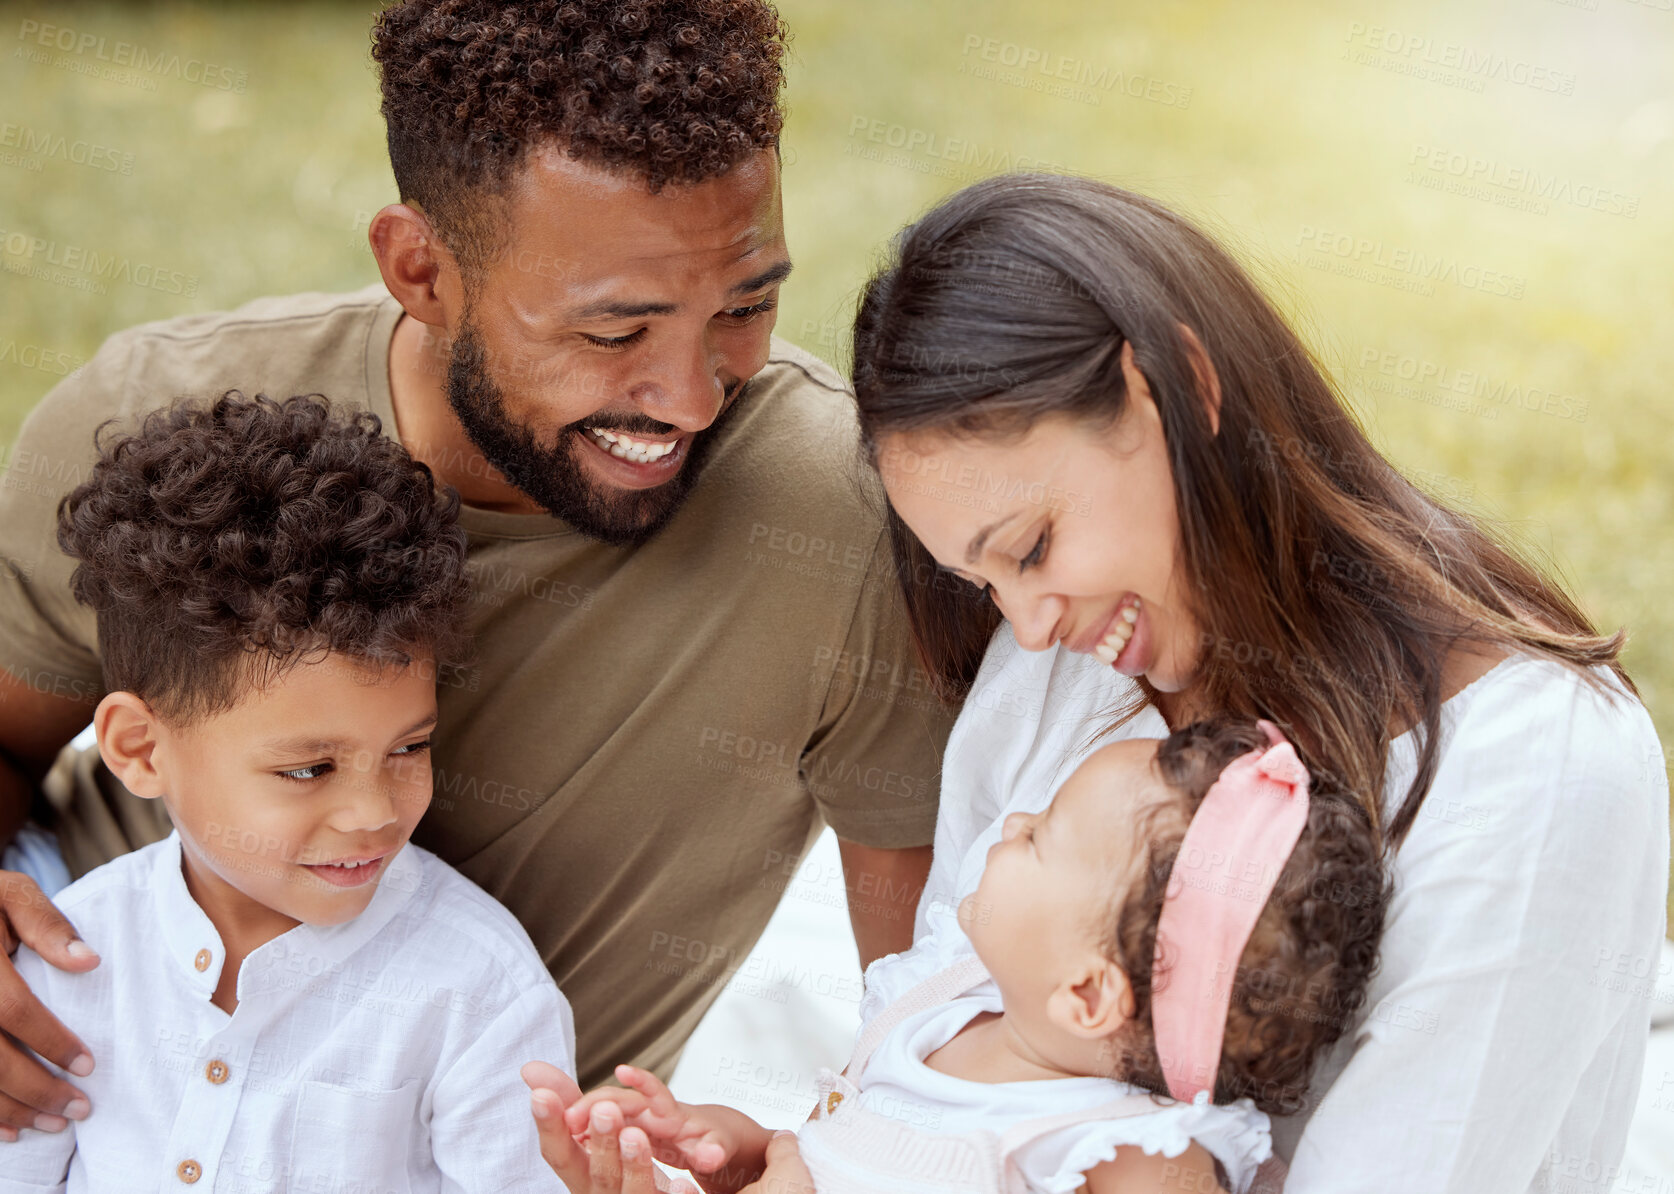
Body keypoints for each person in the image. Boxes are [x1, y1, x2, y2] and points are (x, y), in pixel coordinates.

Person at [0, 0, 954, 1138]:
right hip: (79, 1078)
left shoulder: (850, 527)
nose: (694, 395)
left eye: (746, 305)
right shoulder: (151, 418)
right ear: (420, 267)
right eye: (613, 333)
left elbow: (933, 1012)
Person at [800, 173, 1664, 1192]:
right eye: (978, 581)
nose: (1027, 629)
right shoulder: (1062, 671)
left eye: (1031, 546)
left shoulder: (1532, 771)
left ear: (1180, 387)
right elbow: (956, 1049)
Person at [0, 392, 575, 1191]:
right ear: (138, 749)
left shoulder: (477, 990)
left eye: (410, 747)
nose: (376, 813)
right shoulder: (64, 967)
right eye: (308, 769)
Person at [532, 717, 1389, 1194]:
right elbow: (840, 1162)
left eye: (1043, 834)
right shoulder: (935, 1011)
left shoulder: (1129, 1152)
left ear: (1086, 995)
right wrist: (742, 1150)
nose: (1009, 826)